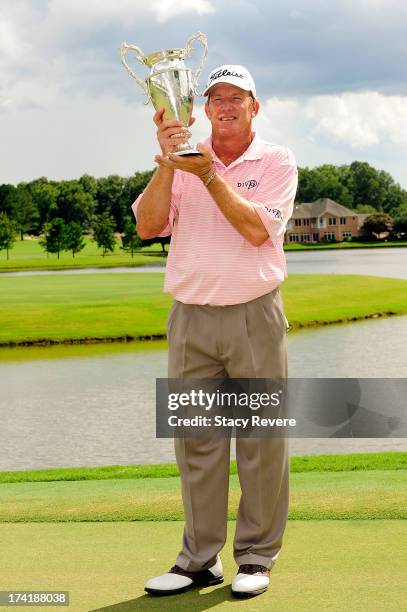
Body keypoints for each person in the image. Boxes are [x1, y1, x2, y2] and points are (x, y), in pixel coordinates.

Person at [132, 64, 298, 598]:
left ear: (255, 106)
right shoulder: (186, 158)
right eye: (216, 97)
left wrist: (207, 174)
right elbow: (147, 226)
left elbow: (255, 231)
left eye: (237, 97)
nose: (225, 105)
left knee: (260, 442)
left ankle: (255, 558)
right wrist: (169, 163)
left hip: (254, 314)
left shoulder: (275, 160)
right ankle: (198, 561)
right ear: (203, 108)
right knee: (196, 443)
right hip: (190, 318)